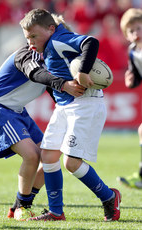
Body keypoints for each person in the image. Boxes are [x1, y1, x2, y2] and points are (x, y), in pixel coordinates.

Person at [20, 8, 121, 222]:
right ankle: (56, 212)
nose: (30, 42)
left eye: (33, 36)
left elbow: (90, 42)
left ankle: (109, 197)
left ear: (51, 29)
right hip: (65, 107)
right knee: (48, 156)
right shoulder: (47, 48)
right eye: (27, 38)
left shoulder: (58, 40)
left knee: (71, 163)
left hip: (85, 105)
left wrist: (83, 72)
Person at [0, 42, 86, 221]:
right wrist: (64, 84)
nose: (31, 41)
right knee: (32, 155)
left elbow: (58, 96)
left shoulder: (53, 64)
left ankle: (19, 205)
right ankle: (23, 206)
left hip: (17, 111)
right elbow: (37, 74)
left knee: (49, 155)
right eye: (29, 36)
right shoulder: (28, 55)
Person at [117, 8, 142, 189]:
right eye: (131, 31)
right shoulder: (133, 52)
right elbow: (136, 77)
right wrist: (131, 81)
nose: (136, 33)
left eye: (139, 28)